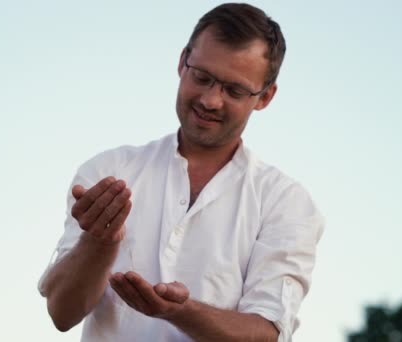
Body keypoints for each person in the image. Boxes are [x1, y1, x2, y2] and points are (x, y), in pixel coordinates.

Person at [38, 3, 324, 341]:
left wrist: (179, 312)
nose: (210, 100)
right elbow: (61, 312)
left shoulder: (286, 202)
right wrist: (99, 242)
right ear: (181, 62)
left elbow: (266, 333)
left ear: (265, 97)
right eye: (202, 77)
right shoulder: (109, 171)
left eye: (234, 90)